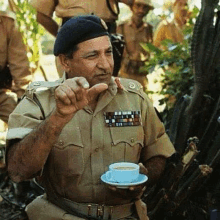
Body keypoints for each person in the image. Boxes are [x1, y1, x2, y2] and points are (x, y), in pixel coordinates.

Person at [6, 15, 175, 220]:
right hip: (60, 214)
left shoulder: (134, 98)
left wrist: (143, 178)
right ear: (65, 62)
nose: (105, 64)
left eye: (108, 53)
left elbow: (159, 153)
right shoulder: (40, 102)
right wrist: (58, 118)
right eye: (92, 56)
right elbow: (17, 171)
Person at [29, 0, 134, 35]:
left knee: (105, 84)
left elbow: (135, 3)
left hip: (106, 35)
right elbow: (39, 13)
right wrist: (60, 36)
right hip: (71, 36)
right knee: (73, 83)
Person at [0, 10, 32, 124]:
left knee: (28, 125)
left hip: (1, 94)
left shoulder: (7, 23)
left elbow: (20, 66)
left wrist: (22, 99)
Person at [117, 0, 154, 92]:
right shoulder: (121, 27)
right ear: (132, 7)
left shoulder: (149, 29)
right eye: (138, 6)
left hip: (142, 76)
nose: (141, 10)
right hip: (125, 74)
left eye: (144, 7)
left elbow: (150, 50)